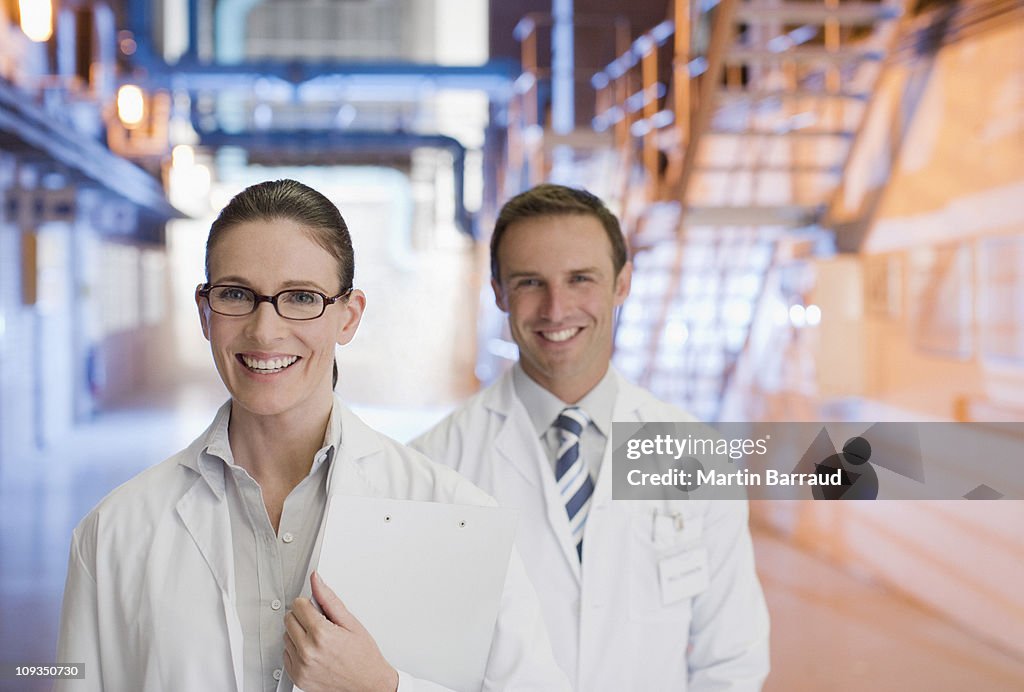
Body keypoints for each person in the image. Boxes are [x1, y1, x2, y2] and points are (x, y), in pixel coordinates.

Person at [55, 179, 569, 692]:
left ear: (349, 316)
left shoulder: (457, 516)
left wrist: (384, 688)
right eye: (236, 294)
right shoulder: (113, 535)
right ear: (205, 311)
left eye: (301, 298)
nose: (265, 330)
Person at [411, 184, 770, 690]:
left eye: (581, 279)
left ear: (622, 283)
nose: (556, 309)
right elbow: (422, 658)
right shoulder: (433, 467)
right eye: (531, 282)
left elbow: (731, 657)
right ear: (498, 292)